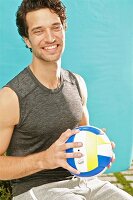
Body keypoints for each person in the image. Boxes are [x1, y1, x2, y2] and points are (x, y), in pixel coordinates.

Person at [0, 0, 132, 199]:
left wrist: (97, 151)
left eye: (56, 27)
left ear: (64, 29)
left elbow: (83, 136)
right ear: (27, 39)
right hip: (36, 189)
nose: (50, 37)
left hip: (85, 182)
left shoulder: (77, 84)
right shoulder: (11, 96)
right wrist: (45, 159)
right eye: (38, 31)